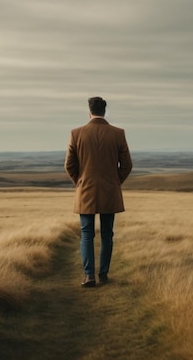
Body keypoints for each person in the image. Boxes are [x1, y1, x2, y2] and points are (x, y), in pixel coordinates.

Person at [64, 97, 133, 288]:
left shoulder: (76, 133)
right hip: (110, 190)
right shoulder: (118, 134)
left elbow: (69, 164)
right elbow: (127, 165)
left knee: (86, 234)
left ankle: (89, 276)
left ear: (89, 112)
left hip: (85, 190)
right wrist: (115, 181)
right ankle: (103, 274)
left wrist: (79, 181)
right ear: (105, 112)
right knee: (107, 234)